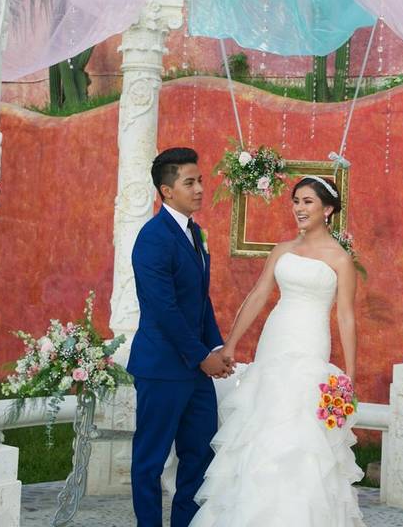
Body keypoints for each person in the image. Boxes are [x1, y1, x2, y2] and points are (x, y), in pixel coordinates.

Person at [190, 176, 364, 526]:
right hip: (277, 338)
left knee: (299, 425)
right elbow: (258, 295)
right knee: (262, 419)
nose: (299, 208)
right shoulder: (282, 249)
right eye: (296, 201)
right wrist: (232, 343)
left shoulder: (340, 260)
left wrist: (349, 376)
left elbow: (346, 317)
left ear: (327, 210)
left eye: (308, 202)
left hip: (310, 342)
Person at [128, 147, 234, 527]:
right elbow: (164, 309)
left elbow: (199, 300)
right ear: (167, 190)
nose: (200, 188)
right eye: (190, 182)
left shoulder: (195, 233)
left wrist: (217, 347)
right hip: (161, 367)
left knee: (200, 454)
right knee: (151, 460)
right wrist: (201, 355)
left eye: (201, 180)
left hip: (196, 370)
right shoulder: (153, 238)